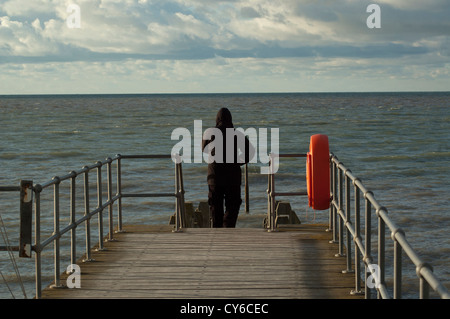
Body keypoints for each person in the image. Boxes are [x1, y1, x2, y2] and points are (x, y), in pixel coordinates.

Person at [202, 108, 255, 228]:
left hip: (214, 176)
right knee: (233, 206)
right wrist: (238, 161)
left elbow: (204, 149)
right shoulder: (237, 133)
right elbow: (250, 152)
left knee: (215, 206)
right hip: (233, 176)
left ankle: (217, 231)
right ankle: (228, 229)